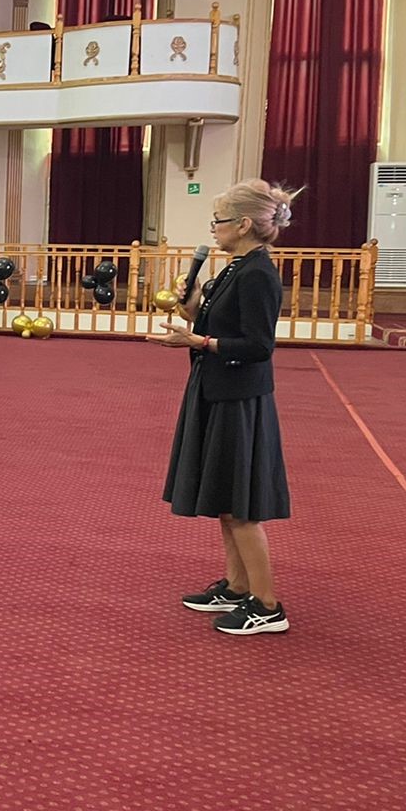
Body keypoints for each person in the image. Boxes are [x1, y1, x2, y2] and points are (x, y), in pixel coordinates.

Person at [154, 180, 295, 636]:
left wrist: (197, 342)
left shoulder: (258, 274)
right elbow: (210, 324)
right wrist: (194, 303)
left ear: (244, 224)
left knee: (241, 507)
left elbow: (258, 346)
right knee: (226, 502)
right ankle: (237, 587)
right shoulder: (235, 268)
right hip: (217, 389)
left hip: (239, 398)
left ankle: (268, 606)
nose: (213, 228)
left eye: (218, 221)